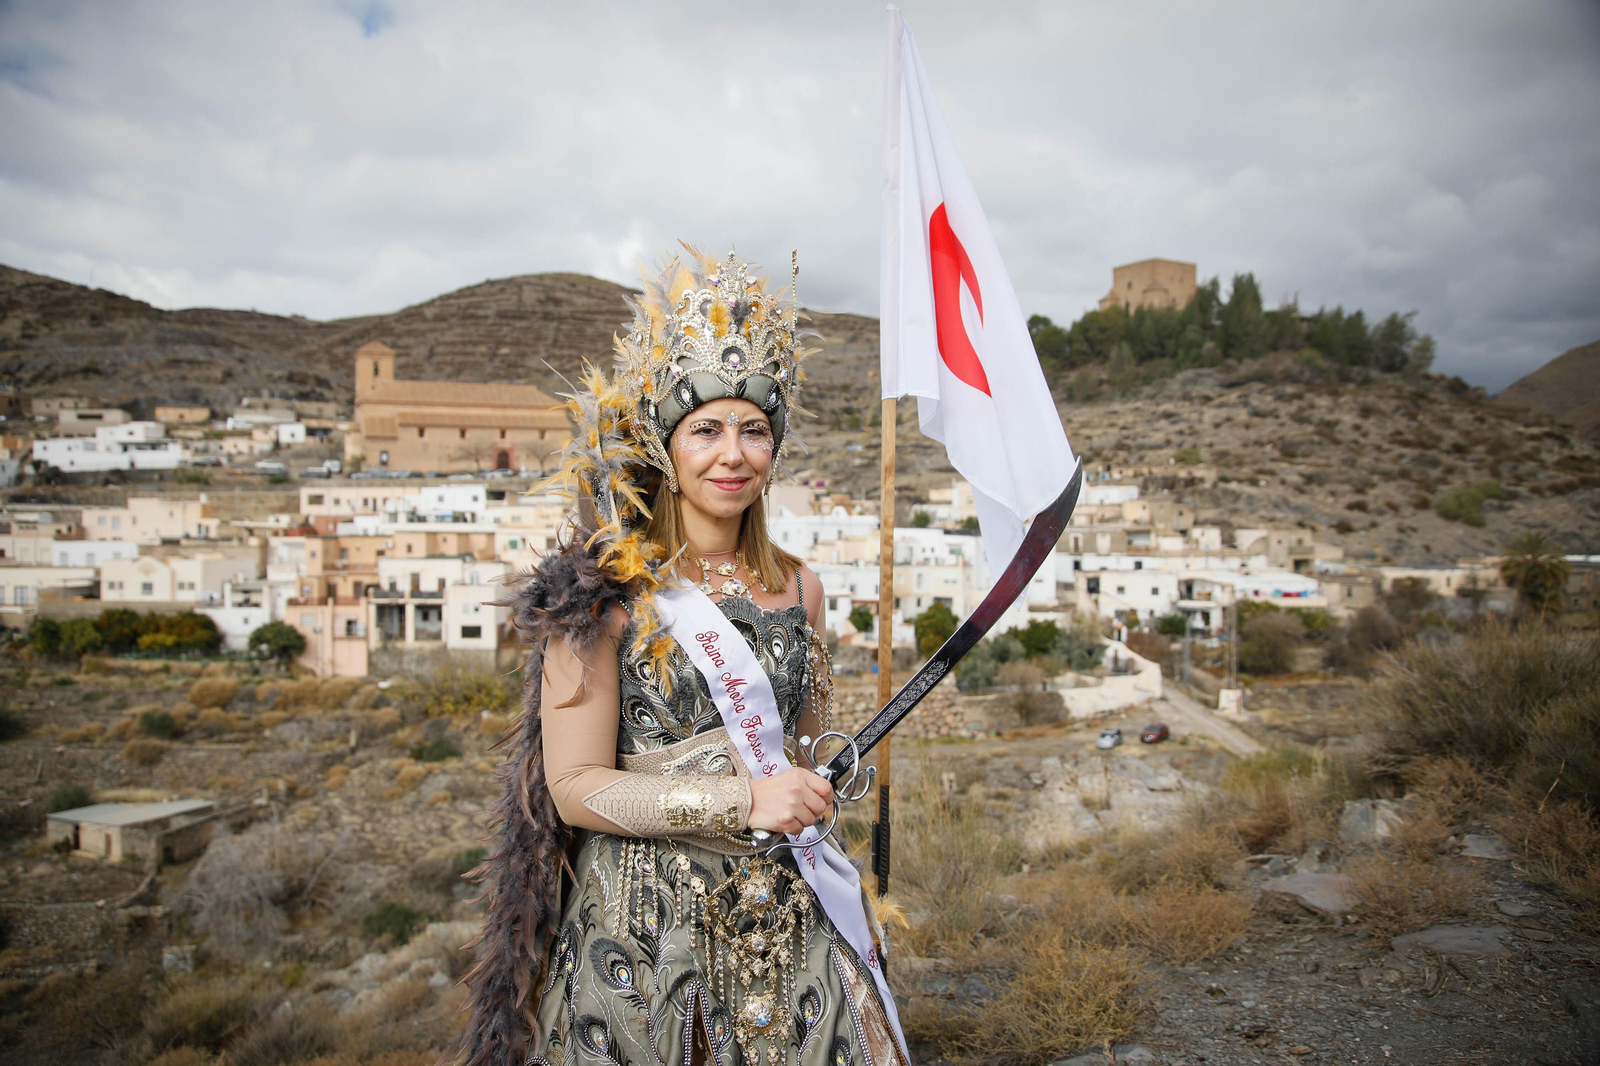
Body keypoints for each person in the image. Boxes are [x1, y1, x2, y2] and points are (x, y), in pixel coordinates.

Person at [453, 249, 908, 1066]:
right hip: (644, 943)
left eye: (755, 429)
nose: (732, 455)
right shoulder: (601, 595)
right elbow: (575, 786)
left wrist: (816, 789)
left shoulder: (800, 588)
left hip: (791, 934)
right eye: (706, 428)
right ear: (666, 446)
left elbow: (801, 755)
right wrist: (743, 802)